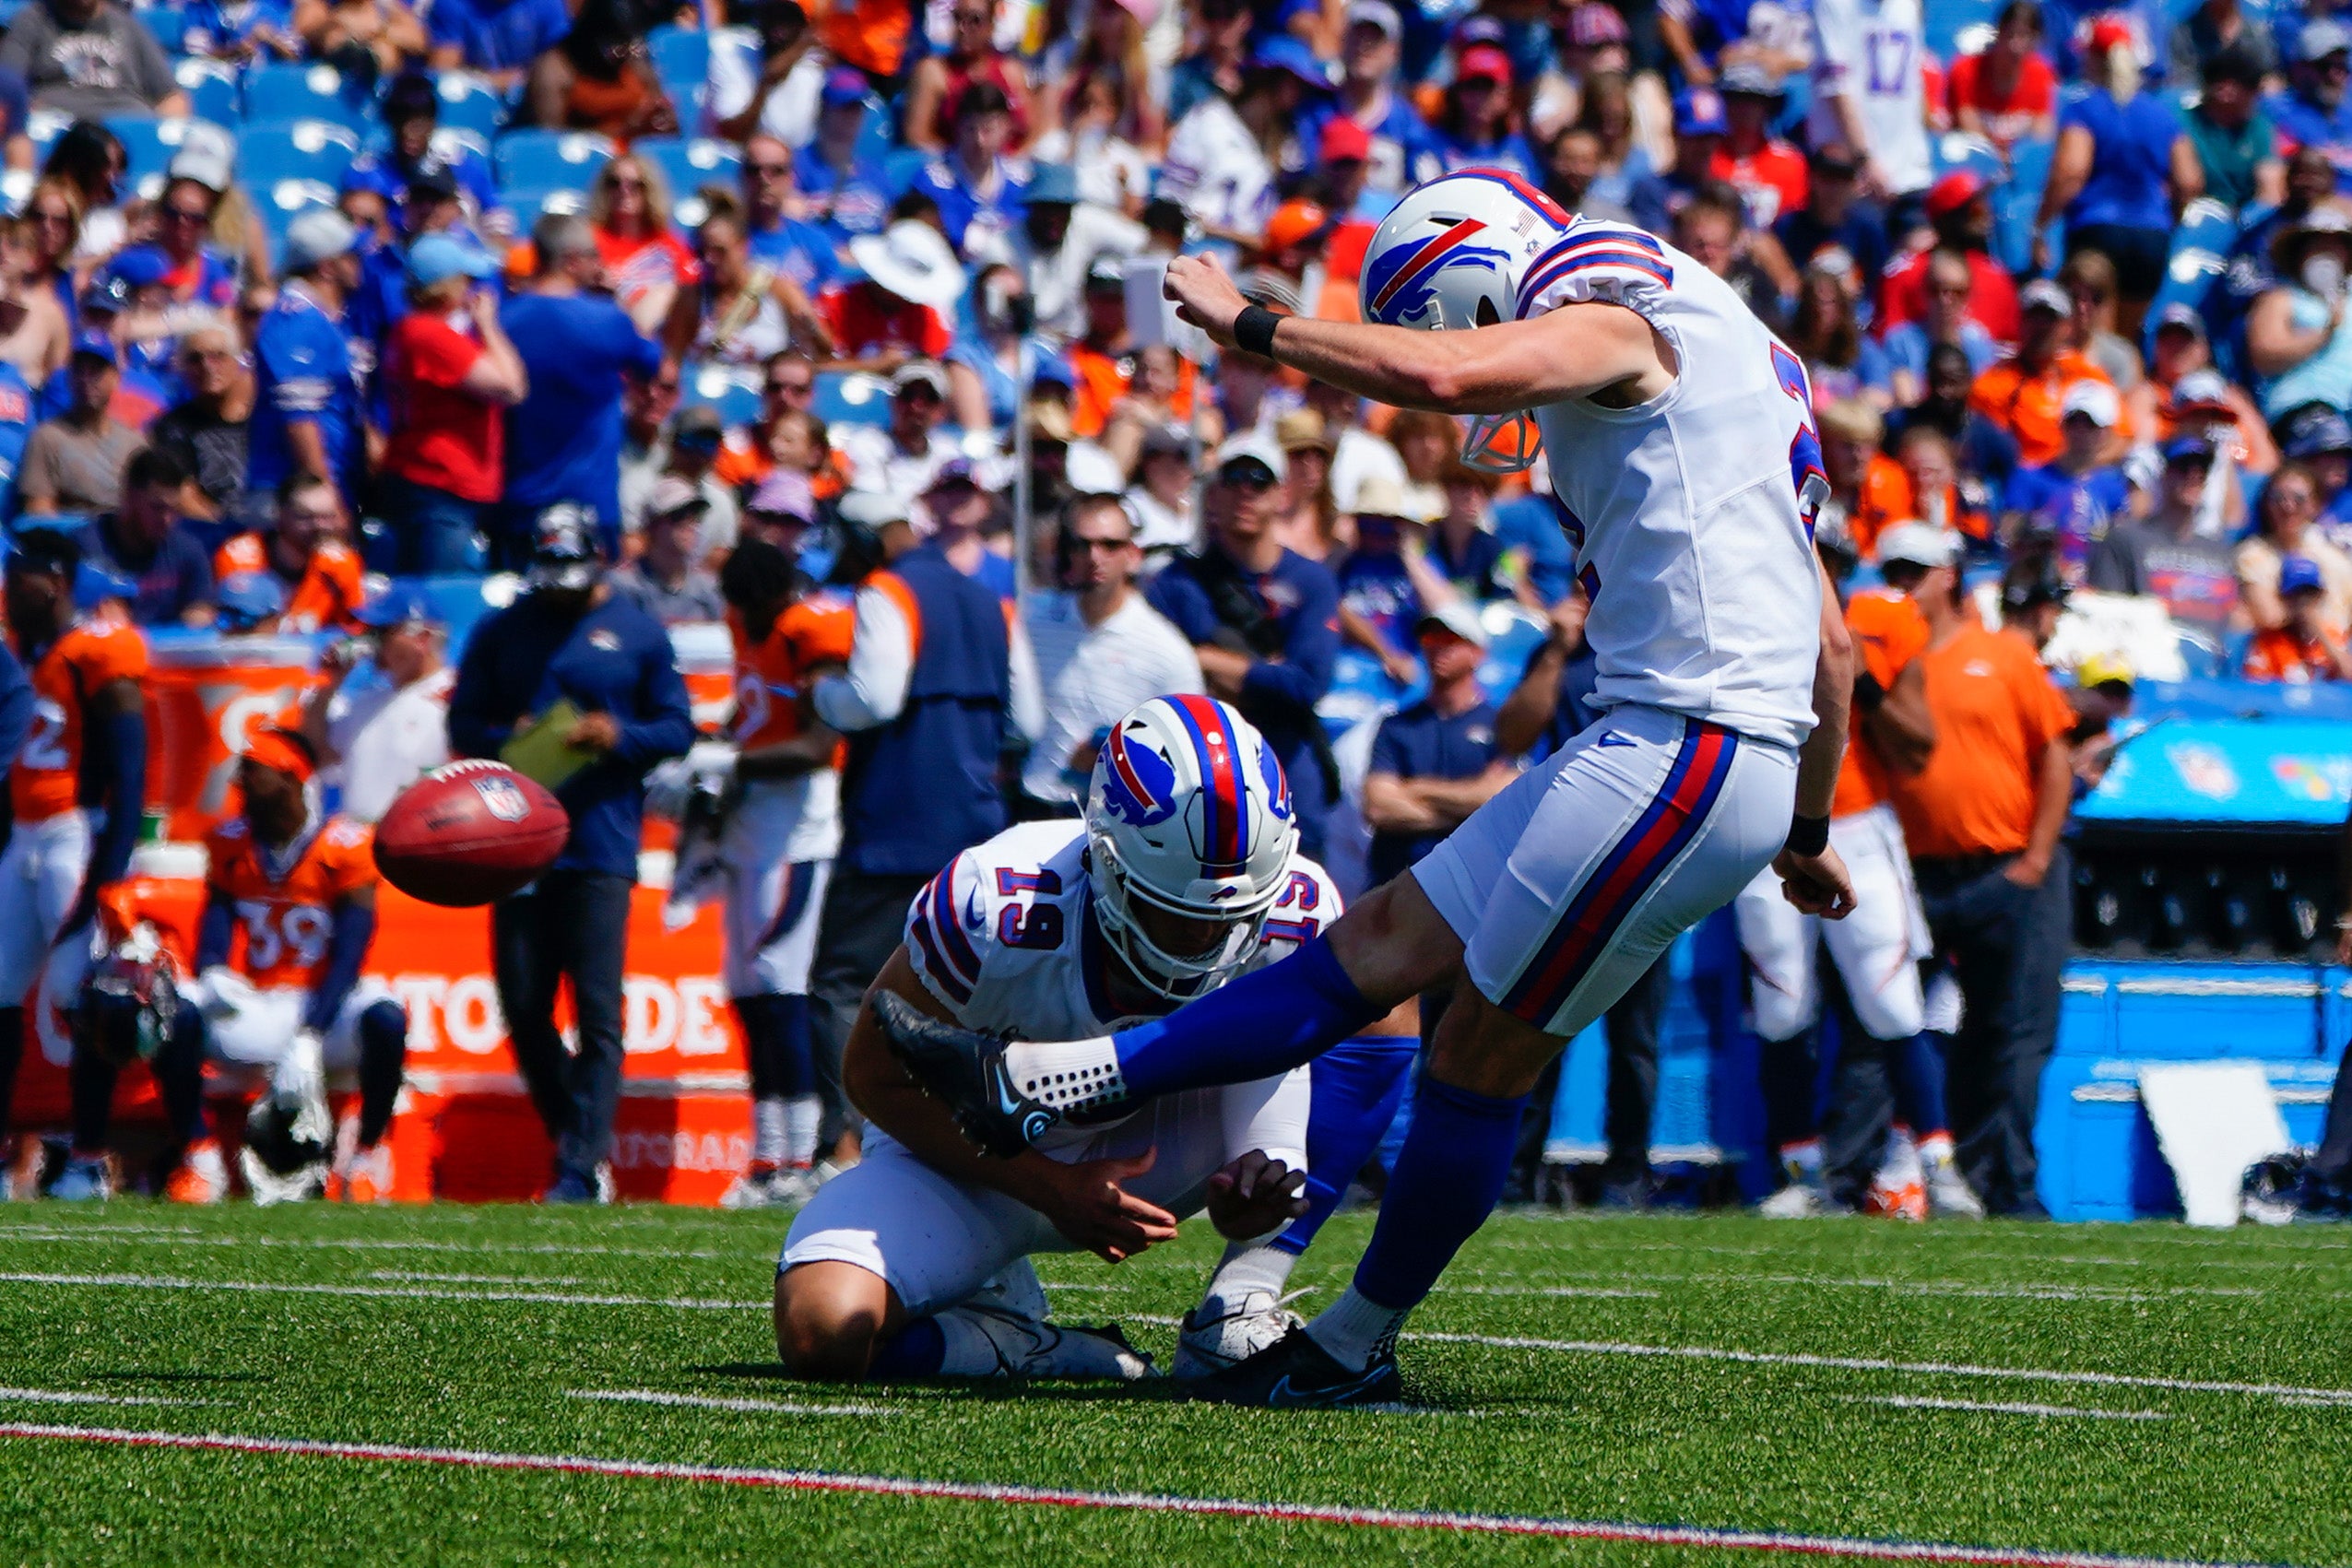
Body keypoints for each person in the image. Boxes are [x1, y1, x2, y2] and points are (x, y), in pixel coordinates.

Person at [875, 171, 1856, 1406]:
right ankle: (1030, 1084)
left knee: (1477, 1056)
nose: (1449, 343)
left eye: (1437, 312)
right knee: (1375, 941)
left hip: (1682, 744)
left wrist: (1247, 324)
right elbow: (1830, 645)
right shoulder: (1741, 364)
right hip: (1689, 748)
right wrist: (1804, 825)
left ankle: (1346, 1346)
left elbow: (1447, 376)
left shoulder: (1612, 295)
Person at [778, 695, 1384, 1385]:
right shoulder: (1001, 899)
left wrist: (1266, 1171)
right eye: (1172, 914)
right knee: (822, 1328)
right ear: (1104, 857)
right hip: (972, 1158)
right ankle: (1024, 1343)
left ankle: (1241, 1300)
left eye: (1228, 916)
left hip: (1162, 1143)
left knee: (1375, 991)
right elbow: (871, 1073)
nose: (1204, 938)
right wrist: (1049, 1186)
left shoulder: (1293, 906)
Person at [446, 506, 695, 1203]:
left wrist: (618, 734)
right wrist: (507, 735)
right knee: (523, 1007)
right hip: (517, 842)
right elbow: (462, 721)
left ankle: (578, 1170)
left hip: (601, 840)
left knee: (598, 1012)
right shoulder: (504, 628)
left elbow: (678, 726)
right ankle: (574, 1138)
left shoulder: (640, 631)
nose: (557, 591)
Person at [1731, 521, 1974, 1218]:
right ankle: (1798, 1170)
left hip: (1858, 823)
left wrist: (1857, 679)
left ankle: (1935, 1162)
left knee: (1890, 999)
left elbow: (1919, 742)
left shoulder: (1878, 619)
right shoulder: (1738, 607)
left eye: (1828, 556)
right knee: (1780, 1005)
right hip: (1764, 822)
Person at [804, 487, 1044, 1172]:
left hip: (892, 820)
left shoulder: (888, 586)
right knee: (960, 991)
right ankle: (951, 1146)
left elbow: (872, 697)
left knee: (845, 984)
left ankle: (843, 1146)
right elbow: (1024, 720)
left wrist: (820, 692)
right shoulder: (989, 597)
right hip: (974, 829)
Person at [1885, 530, 2074, 1218]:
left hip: (2007, 863)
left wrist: (2034, 858)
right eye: (1892, 572)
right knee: (1894, 1023)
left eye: (1914, 571)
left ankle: (2011, 1184)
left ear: (1949, 579)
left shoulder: (2001, 655)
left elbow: (2052, 756)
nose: (1901, 584)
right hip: (1920, 872)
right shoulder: (1887, 660)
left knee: (2015, 1030)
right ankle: (1928, 1176)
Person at [664, 537, 854, 1208]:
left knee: (782, 986)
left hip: (797, 832)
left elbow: (816, 744)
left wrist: (727, 765)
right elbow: (751, 722)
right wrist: (710, 756)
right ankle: (767, 1151)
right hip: (751, 831)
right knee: (748, 990)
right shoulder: (754, 631)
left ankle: (799, 1158)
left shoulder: (809, 629)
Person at [0, 528, 136, 1190]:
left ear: (52, 580)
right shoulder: (18, 654)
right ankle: (4, 1156)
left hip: (74, 832)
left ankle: (87, 1156)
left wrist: (110, 870)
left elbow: (130, 771)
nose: (8, 586)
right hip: (24, 834)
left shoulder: (96, 649)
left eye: (19, 574)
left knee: (81, 993)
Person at [1145, 434, 1342, 861]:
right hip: (1200, 775)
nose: (1245, 492)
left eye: (1260, 481)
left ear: (1281, 494)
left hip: (1286, 772)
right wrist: (1262, 672)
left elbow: (1306, 682)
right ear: (1212, 493)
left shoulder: (1312, 581)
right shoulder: (1177, 582)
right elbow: (1162, 677)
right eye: (1233, 479)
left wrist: (1206, 658)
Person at [1021, 493, 1204, 815]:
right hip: (1035, 805)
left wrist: (1114, 761)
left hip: (1117, 818)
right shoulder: (1034, 626)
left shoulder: (1165, 649)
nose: (1094, 557)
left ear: (1133, 555)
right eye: (1081, 544)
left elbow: (1186, 753)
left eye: (1110, 545)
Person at [500, 215, 666, 568]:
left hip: (521, 499)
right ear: (572, 260)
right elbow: (651, 362)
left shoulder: (505, 319)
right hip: (591, 501)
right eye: (594, 256)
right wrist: (614, 302)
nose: (600, 265)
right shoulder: (607, 319)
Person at [2035, 22, 2201, 335]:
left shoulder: (2084, 109)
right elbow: (2189, 180)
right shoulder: (2161, 114)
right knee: (2126, 336)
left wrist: (2040, 225)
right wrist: (2172, 219)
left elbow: (2070, 172)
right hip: (2151, 237)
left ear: (2094, 60)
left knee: (2092, 336)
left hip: (2098, 233)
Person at [382, 233, 527, 573]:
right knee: (441, 600)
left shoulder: (415, 330)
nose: (473, 291)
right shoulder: (428, 333)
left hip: (444, 485)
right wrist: (488, 326)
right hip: (438, 487)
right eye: (466, 282)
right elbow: (511, 387)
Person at [1362, 602, 1512, 891]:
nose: (1438, 649)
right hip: (1396, 879)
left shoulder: (1501, 726)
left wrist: (1417, 789)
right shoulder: (1396, 726)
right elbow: (1379, 807)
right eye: (1430, 640)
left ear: (1477, 653)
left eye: (1450, 641)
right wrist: (1467, 810)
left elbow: (1501, 798)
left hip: (1471, 883)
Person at [307, 584, 451, 825]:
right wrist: (328, 687)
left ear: (422, 638)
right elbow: (318, 754)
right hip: (358, 845)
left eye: (383, 632)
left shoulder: (453, 697)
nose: (375, 644)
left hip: (419, 842)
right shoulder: (367, 702)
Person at [247, 210, 364, 507]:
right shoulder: (297, 321)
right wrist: (326, 499)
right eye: (351, 255)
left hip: (319, 486)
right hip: (292, 496)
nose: (360, 261)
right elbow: (300, 419)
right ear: (327, 267)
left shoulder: (326, 318)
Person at [2086, 434, 2244, 648]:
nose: (2193, 476)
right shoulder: (2127, 539)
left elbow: (2235, 621)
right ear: (2163, 474)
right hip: (2149, 662)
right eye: (2183, 467)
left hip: (2209, 670)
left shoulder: (2221, 551)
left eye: (2202, 470)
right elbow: (2104, 611)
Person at [1968, 280, 2118, 471]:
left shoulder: (2086, 373)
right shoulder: (1993, 384)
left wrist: (2076, 470)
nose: (2042, 327)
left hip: (2083, 474)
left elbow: (2122, 436)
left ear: (2067, 327)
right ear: (2020, 322)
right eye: (2034, 317)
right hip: (2024, 481)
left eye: (2051, 318)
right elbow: (1993, 451)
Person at [1809, 0, 1930, 221]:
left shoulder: (1908, 6)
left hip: (1908, 172)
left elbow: (1912, 85)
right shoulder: (1833, 5)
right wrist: (1865, 160)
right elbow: (1837, 88)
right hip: (1851, 176)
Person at [2001, 380, 2133, 573]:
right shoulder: (2030, 477)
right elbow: (2008, 534)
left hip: (2095, 581)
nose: (2081, 431)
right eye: (2074, 422)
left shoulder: (2114, 485)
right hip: (2042, 576)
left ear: (2106, 432)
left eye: (2090, 424)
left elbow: (2121, 541)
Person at [76, 444, 212, 626]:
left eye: (175, 510)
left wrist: (198, 616)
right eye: (157, 508)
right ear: (129, 497)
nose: (167, 519)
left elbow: (201, 608)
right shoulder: (87, 547)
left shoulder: (188, 550)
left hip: (166, 650)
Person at [215, 473, 366, 635]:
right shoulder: (239, 556)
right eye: (306, 517)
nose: (320, 527)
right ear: (280, 514)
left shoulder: (342, 564)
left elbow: (354, 630)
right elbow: (234, 628)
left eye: (327, 517)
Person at [2245, 210, 2352, 422]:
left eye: (2334, 246)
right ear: (2301, 253)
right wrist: (2323, 335)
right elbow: (2265, 355)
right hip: (2306, 407)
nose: (2326, 254)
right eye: (2318, 246)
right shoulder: (2280, 299)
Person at [18, 330, 139, 514]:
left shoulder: (133, 444)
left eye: (95, 371)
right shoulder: (47, 438)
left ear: (115, 378)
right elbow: (38, 514)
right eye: (79, 370)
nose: (86, 379)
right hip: (68, 537)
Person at [0, 0, 187, 118]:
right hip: (62, 129)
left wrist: (152, 136)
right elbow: (6, 88)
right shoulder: (31, 22)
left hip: (125, 129)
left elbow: (172, 98)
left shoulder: (129, 27)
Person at [147, 324, 254, 528]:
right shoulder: (173, 427)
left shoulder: (262, 419)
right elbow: (184, 495)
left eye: (218, 356)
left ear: (237, 361)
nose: (207, 366)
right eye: (195, 359)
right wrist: (226, 532)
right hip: (210, 531)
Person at [2239, 459, 2352, 632]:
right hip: (2283, 653)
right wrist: (2306, 605)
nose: (2288, 507)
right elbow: (2270, 617)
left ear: (2315, 505)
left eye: (2298, 499)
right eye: (2278, 498)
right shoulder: (2252, 554)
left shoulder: (2335, 555)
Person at [610, 476, 725, 624]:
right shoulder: (624, 586)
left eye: (696, 514)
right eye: (679, 515)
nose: (689, 524)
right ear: (653, 526)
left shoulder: (708, 588)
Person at [2184, 46, 2285, 215]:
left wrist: (2249, 222)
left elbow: (2270, 188)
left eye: (2239, 82)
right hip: (2195, 212)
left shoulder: (2259, 128)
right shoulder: (2185, 122)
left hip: (2243, 216)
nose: (2227, 88)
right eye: (2219, 78)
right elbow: (2184, 183)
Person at [1950, 1, 2058, 154]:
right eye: (2009, 34)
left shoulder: (2041, 74)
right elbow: (1967, 124)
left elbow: (2042, 131)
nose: (2014, 45)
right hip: (1975, 161)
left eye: (2024, 36)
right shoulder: (1966, 70)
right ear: (1998, 33)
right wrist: (1998, 157)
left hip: (2017, 166)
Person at [2243, 553, 2352, 679]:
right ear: (2282, 598)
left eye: (2310, 593)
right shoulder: (2269, 642)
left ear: (2321, 596)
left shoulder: (2335, 635)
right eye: (2296, 594)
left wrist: (2319, 633)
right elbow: (2255, 689)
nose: (2303, 602)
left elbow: (2349, 676)